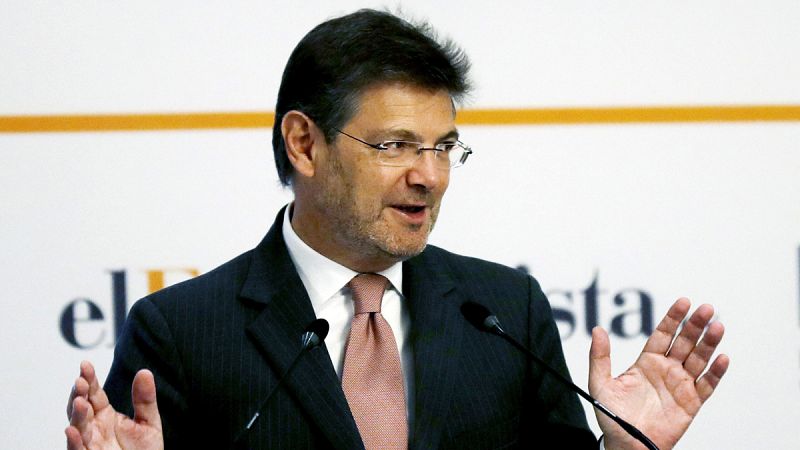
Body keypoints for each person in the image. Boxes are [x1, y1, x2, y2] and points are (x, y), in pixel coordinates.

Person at [66, 9, 729, 450]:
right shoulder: (181, 332)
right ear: (304, 144)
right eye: (395, 146)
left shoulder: (507, 312)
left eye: (444, 147)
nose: (430, 176)